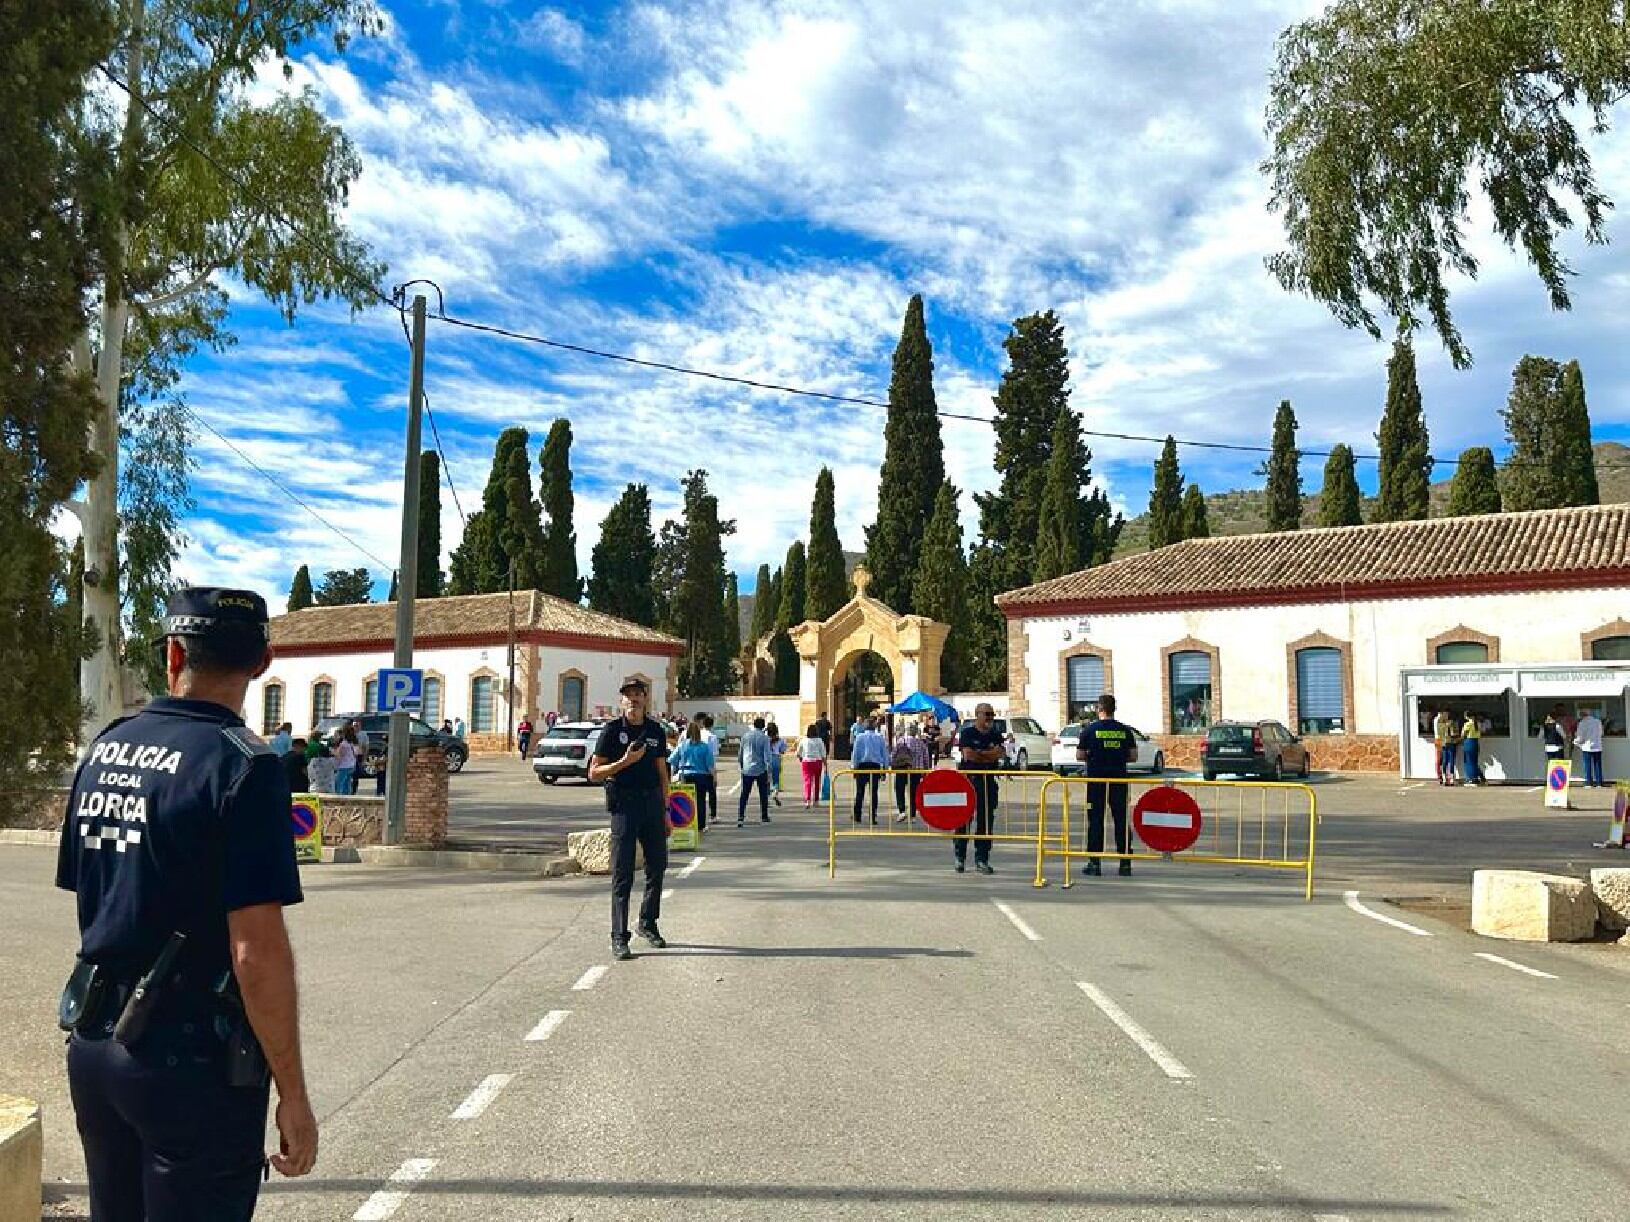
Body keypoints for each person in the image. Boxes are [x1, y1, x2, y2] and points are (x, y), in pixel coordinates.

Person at [56, 587, 313, 1219]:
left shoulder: (108, 748)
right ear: (263, 663)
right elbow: (256, 952)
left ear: (173, 654)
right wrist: (294, 1095)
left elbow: (95, 893)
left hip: (94, 1046)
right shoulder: (244, 768)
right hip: (190, 1063)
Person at [588, 676, 671, 961]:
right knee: (622, 874)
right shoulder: (611, 731)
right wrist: (624, 763)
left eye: (638, 694)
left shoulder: (655, 731)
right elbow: (594, 773)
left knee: (657, 867)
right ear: (621, 700)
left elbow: (663, 773)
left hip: (652, 804)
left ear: (646, 698)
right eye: (628, 695)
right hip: (624, 806)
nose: (633, 699)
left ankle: (648, 922)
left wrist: (667, 811)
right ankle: (619, 936)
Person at [1078, 693, 1138, 876]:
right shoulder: (1125, 730)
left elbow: (1080, 756)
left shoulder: (1089, 730)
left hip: (1096, 781)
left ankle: (1094, 863)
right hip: (1119, 780)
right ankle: (1125, 863)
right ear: (1114, 709)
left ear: (1099, 709)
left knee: (1095, 820)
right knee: (1121, 820)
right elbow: (1133, 756)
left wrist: (1093, 756)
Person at [954, 703, 1005, 875]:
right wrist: (987, 755)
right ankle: (959, 857)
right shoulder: (967, 733)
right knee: (963, 819)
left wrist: (981, 754)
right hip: (969, 781)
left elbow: (1000, 753)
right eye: (987, 714)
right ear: (978, 715)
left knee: (985, 822)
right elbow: (968, 754)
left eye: (992, 714)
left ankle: (982, 859)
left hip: (988, 782)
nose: (990, 718)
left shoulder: (996, 734)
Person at [668, 721, 714, 831]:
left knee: (686, 801)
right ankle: (701, 825)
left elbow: (672, 761)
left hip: (686, 776)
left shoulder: (682, 745)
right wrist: (714, 778)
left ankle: (687, 822)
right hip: (701, 776)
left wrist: (672, 776)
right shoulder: (705, 746)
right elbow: (710, 765)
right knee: (701, 801)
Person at [850, 715, 890, 825]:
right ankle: (873, 816)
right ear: (874, 726)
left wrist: (854, 768)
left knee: (859, 792)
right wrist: (885, 769)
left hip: (862, 766)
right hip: (875, 766)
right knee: (873, 793)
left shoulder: (859, 737)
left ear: (864, 726)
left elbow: (856, 754)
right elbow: (885, 754)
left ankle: (857, 815)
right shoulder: (880, 737)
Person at [737, 717, 773, 826]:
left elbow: (740, 753)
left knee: (744, 793)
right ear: (763, 726)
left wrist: (742, 765)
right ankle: (764, 815)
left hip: (747, 768)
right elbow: (767, 756)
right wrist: (769, 770)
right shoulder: (765, 738)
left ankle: (741, 816)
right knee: (763, 793)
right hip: (760, 768)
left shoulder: (745, 736)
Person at [891, 724, 930, 822]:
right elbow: (926, 758)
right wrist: (925, 771)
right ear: (916, 732)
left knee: (899, 789)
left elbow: (893, 755)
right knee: (914, 792)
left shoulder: (901, 741)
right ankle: (913, 815)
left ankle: (902, 811)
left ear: (907, 731)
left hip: (902, 769)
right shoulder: (921, 743)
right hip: (916, 771)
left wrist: (892, 765)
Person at [694, 713, 720, 829]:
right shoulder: (712, 737)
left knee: (698, 796)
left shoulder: (698, 734)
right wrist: (714, 773)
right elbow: (714, 755)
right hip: (708, 767)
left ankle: (696, 818)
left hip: (696, 766)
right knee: (711, 792)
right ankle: (712, 815)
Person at [797, 725, 828, 808]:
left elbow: (798, 753)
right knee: (817, 781)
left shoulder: (803, 740)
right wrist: (825, 765)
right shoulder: (819, 740)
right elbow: (823, 754)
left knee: (807, 781)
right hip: (817, 762)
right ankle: (816, 801)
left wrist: (801, 759)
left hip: (806, 762)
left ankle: (807, 801)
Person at [1575, 707, 1605, 787]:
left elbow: (1580, 737)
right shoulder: (1598, 721)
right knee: (1598, 765)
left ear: (1582, 715)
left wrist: (1575, 742)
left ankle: (1588, 783)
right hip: (1597, 746)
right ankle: (1599, 783)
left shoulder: (1582, 723)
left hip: (1586, 747)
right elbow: (1601, 733)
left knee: (1587, 765)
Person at [333, 724, 359, 796]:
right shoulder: (353, 743)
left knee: (339, 783)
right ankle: (347, 796)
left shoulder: (344, 744)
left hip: (344, 766)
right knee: (347, 783)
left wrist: (333, 752)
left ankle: (339, 797)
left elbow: (339, 755)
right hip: (352, 764)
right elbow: (357, 753)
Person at [766, 721, 786, 807]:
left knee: (766, 781)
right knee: (776, 780)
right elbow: (782, 750)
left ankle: (766, 799)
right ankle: (775, 793)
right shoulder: (780, 740)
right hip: (776, 759)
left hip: (767, 760)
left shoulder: (765, 739)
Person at [1460, 709, 1482, 786]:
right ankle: (1476, 778)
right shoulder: (1478, 723)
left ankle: (1471, 779)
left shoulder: (1467, 724)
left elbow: (1463, 735)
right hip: (1475, 742)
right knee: (1474, 761)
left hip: (1468, 742)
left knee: (1469, 761)